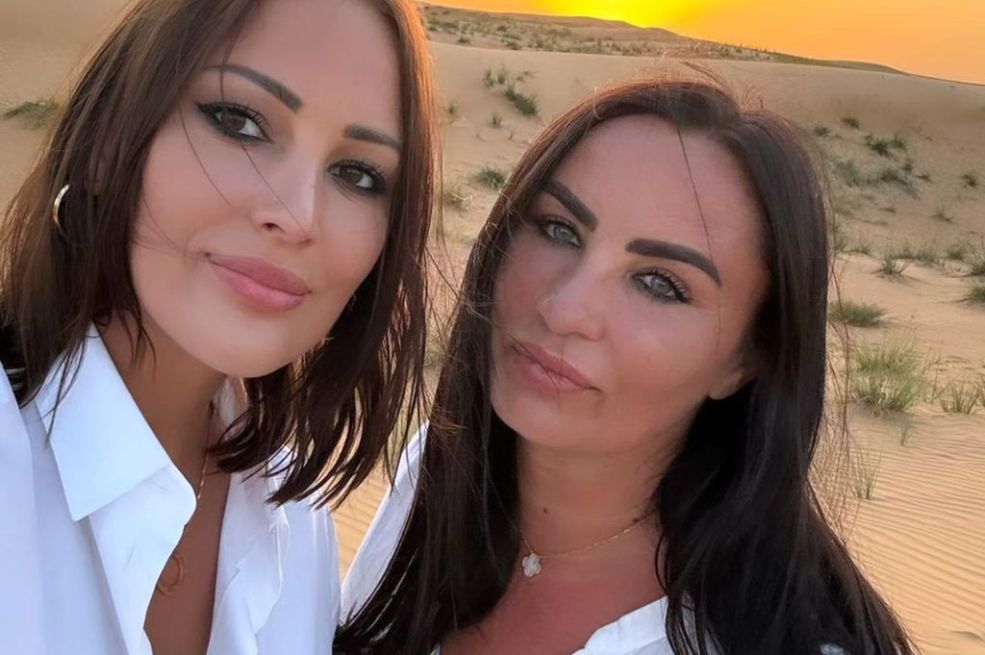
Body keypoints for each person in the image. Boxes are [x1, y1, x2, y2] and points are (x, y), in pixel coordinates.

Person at [337, 80, 914, 654]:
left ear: (744, 361)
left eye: (660, 283)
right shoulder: (437, 472)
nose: (565, 309)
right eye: (559, 230)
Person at [0, 0, 436, 653]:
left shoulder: (295, 518)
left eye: (357, 174)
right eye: (239, 121)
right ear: (110, 140)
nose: (298, 214)